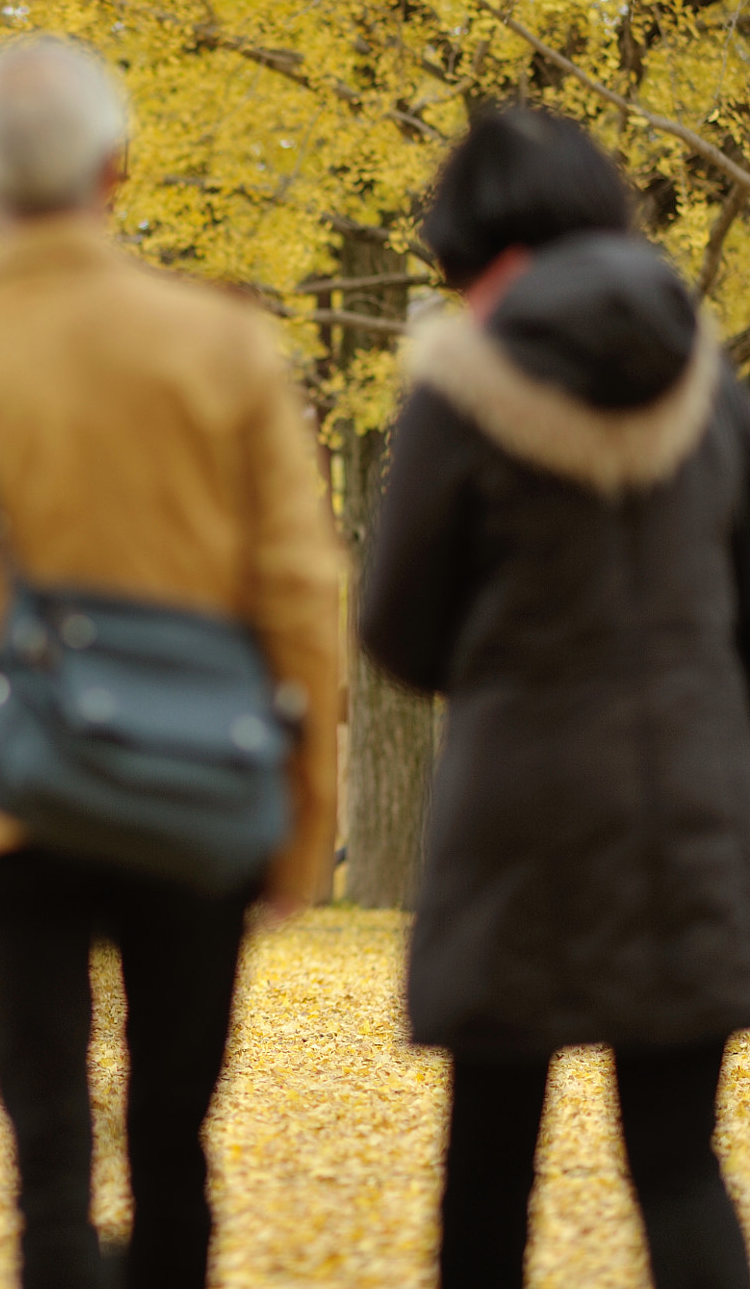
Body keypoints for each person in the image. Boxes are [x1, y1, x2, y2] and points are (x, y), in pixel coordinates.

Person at [0, 35, 341, 1288]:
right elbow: (302, 593)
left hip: (12, 782)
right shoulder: (223, 347)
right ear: (118, 166)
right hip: (201, 775)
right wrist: (304, 807)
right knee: (173, 1134)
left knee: (47, 1138)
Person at [360, 107, 750, 1289]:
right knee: (679, 1163)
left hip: (517, 809)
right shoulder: (711, 381)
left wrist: (490, 677)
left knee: (487, 1166)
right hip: (690, 798)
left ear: (478, 249)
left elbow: (394, 622)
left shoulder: (459, 387)